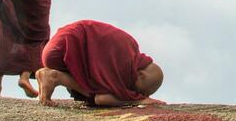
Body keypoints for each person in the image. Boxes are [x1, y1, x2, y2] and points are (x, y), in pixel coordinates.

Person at [36, 20, 165, 107]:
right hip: (63, 52)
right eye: (143, 90)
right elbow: (102, 98)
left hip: (54, 47)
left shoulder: (131, 47)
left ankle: (50, 75)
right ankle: (55, 76)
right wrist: (138, 100)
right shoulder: (126, 64)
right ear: (141, 75)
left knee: (97, 87)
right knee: (99, 93)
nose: (137, 92)